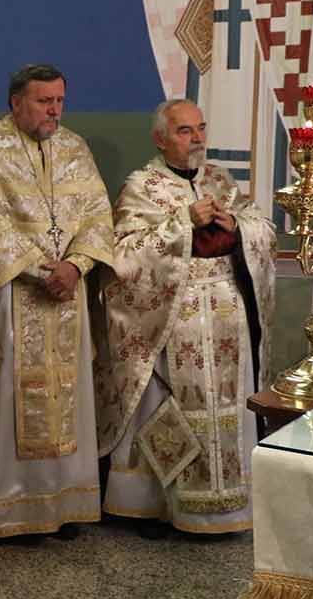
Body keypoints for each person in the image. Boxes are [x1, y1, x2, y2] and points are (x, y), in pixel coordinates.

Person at [0, 64, 115, 540]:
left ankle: (63, 504)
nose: (54, 111)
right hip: (12, 295)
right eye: (44, 101)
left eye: (59, 101)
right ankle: (6, 511)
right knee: (8, 404)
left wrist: (76, 266)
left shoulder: (75, 148)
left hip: (68, 295)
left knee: (68, 397)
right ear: (16, 102)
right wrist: (42, 272)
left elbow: (99, 216)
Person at [94, 98, 275, 534]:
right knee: (166, 405)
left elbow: (262, 229)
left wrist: (237, 225)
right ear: (160, 138)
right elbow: (123, 253)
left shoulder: (220, 180)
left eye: (200, 128)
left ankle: (229, 506)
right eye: (184, 131)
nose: (197, 139)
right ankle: (157, 506)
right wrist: (183, 222)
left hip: (226, 314)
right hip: (171, 317)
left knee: (227, 407)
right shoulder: (142, 186)